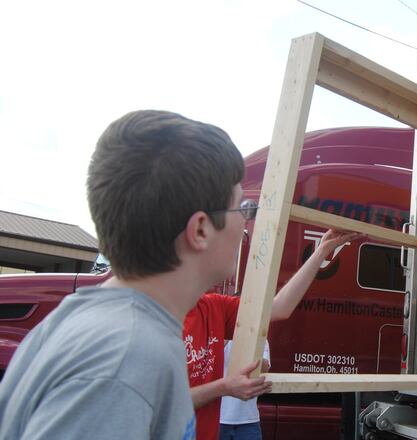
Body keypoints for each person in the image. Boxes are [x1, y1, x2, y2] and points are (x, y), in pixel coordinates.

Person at [0, 110, 248, 439]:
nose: (246, 225)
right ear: (200, 230)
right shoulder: (127, 359)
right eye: (243, 208)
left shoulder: (90, 321)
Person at [185, 228, 360, 440]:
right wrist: (223, 387)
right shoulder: (155, 318)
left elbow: (280, 308)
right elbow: (161, 402)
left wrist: (322, 251)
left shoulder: (214, 306)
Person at [218, 339, 270, 440]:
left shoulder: (259, 336)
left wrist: (252, 348)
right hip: (217, 419)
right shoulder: (216, 334)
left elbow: (265, 368)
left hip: (248, 420)